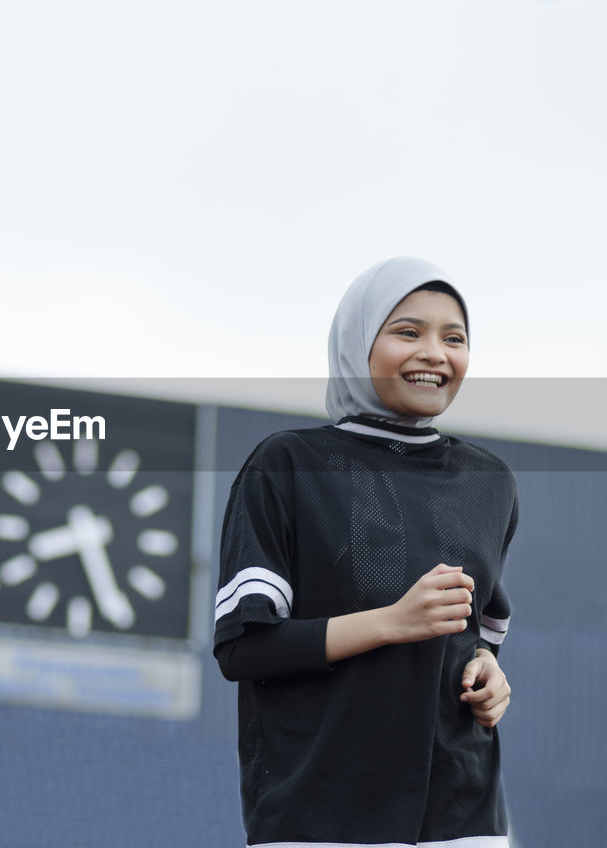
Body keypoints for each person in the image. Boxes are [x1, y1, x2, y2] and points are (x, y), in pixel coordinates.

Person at [214, 256, 517, 847]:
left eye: (453, 338)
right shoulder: (287, 464)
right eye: (408, 331)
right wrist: (392, 623)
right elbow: (242, 648)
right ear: (356, 344)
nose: (434, 352)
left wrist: (489, 671)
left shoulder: (490, 481)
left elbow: (473, 634)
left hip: (464, 818)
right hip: (322, 818)